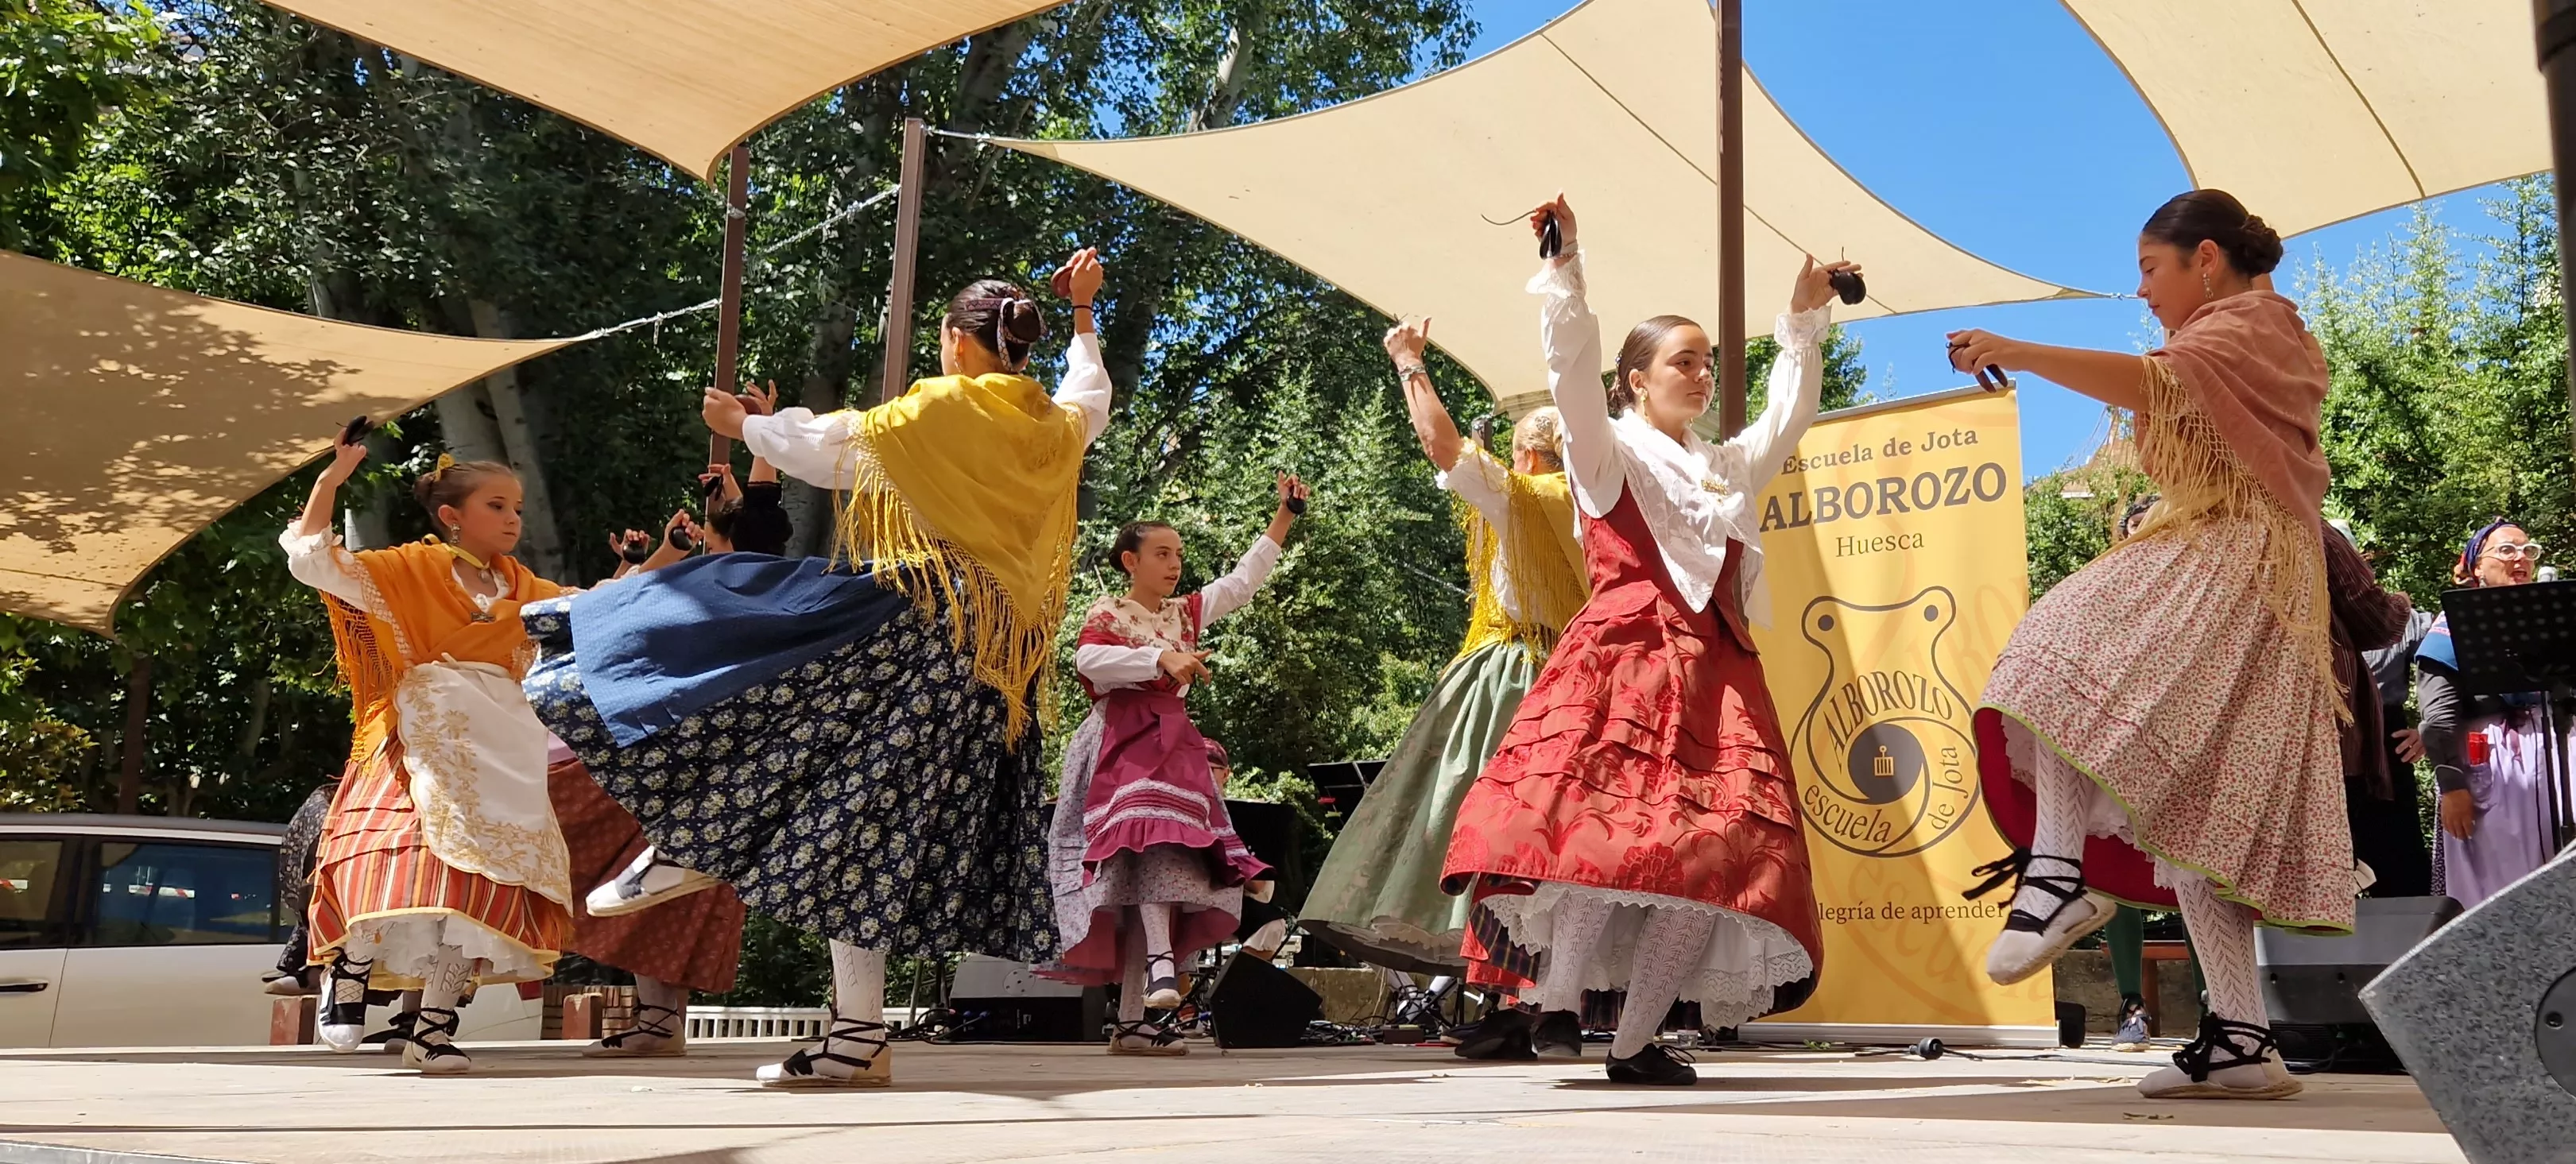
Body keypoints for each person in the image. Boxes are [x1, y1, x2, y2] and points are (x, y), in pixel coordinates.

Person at [524, 249, 1114, 1089]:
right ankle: (855, 1033)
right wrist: (1085, 317)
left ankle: (690, 844)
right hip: (992, 674)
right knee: (856, 841)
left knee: (752, 679)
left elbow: (827, 450)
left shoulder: (938, 410)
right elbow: (1091, 397)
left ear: (953, 339)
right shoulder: (1051, 427)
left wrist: (744, 428)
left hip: (909, 634)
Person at [1438, 195, 1846, 1086]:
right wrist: (1565, 272)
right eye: (1683, 361)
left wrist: (1804, 318)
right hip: (1625, 661)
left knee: (1719, 859)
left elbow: (1789, 413)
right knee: (1599, 845)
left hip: (1721, 676)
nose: (1700, 375)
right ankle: (1554, 1006)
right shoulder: (1605, 451)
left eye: (1707, 362)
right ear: (1637, 380)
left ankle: (1632, 1044)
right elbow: (1570, 377)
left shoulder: (1725, 465)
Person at [1952, 189, 2342, 1100]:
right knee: (2200, 815)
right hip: (2251, 567)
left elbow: (2161, 383)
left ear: (2204, 259)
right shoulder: (2253, 331)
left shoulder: (2251, 322)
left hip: (2235, 552)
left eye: (2149, 269)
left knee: (2054, 657)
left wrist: (2018, 350)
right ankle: (2244, 1040)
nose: (2141, 290)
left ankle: (2054, 876)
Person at [1303, 316, 1590, 1020]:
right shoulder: (1599, 505)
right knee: (1565, 843)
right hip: (1585, 677)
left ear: (1524, 455)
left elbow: (1442, 445)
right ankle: (1552, 996)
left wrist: (1407, 362)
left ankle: (1498, 999)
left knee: (1470, 824)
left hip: (1516, 671)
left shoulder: (1517, 496)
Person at [283, 443, 575, 1076]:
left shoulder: (526, 588)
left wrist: (665, 557)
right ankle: (350, 965)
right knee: (391, 859)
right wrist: (332, 478)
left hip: (502, 742)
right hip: (422, 731)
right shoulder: (407, 568)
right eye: (495, 505)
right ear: (451, 515)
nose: (511, 518)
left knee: (476, 891)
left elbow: (603, 603)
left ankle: (434, 1027)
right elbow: (310, 559)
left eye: (516, 507)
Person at [1042, 482, 1305, 1054]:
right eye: (1162, 552)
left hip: (1170, 746)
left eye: (1179, 554)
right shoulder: (1109, 611)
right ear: (1129, 560)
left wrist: (1283, 517)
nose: (1174, 563)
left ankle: (1138, 1013)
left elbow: (1240, 582)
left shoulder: (1184, 611)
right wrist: (1158, 656)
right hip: (1119, 742)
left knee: (1155, 865)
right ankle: (1155, 977)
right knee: (1145, 859)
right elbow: (1089, 660)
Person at [2419, 518, 2562, 910]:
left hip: (2557, 759)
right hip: (2491, 768)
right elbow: (2436, 717)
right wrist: (2452, 786)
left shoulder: (2551, 621)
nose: (2520, 558)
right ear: (2476, 567)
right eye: (2506, 550)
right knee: (2496, 892)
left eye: (2527, 551)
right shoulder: (2452, 627)